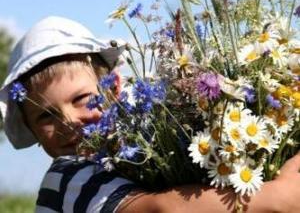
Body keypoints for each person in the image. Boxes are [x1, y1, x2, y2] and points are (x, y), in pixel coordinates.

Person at [1, 16, 300, 213]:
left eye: (81, 99)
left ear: (114, 87)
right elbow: (160, 210)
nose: (68, 122)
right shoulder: (67, 177)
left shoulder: (137, 158)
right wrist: (278, 196)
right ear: (31, 129)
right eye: (46, 116)